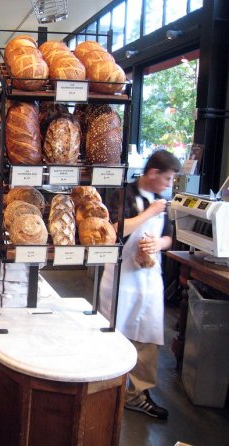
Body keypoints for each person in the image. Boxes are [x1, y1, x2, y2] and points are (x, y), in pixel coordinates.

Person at [99, 149, 181, 420]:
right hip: (121, 279)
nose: (169, 185)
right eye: (167, 179)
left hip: (148, 280)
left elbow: (169, 238)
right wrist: (149, 212)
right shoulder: (123, 194)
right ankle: (106, 390)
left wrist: (158, 244)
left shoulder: (161, 201)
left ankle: (139, 395)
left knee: (147, 338)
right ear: (153, 173)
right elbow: (115, 230)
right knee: (115, 334)